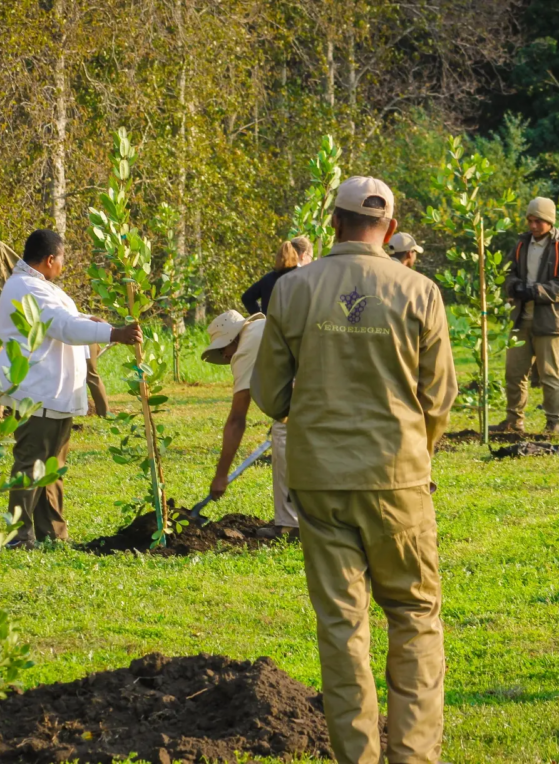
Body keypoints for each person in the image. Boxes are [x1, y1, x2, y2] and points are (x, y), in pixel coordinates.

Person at [253, 176, 457, 764]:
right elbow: (439, 401)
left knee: (342, 629)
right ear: (390, 230)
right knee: (415, 617)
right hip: (398, 479)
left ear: (333, 223)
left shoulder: (292, 290)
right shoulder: (420, 291)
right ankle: (414, 756)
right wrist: (416, 451)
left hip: (318, 481)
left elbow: (269, 394)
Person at [0, 229, 140, 547]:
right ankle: (19, 535)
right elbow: (63, 326)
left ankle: (52, 533)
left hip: (52, 393)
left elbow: (66, 318)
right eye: (62, 259)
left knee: (52, 467)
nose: (63, 265)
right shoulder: (29, 289)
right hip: (38, 392)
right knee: (32, 463)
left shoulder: (38, 286)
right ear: (49, 260)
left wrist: (90, 319)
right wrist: (115, 333)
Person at [201, 310, 298, 539]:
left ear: (233, 338)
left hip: (308, 401)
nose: (225, 356)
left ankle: (289, 526)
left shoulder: (246, 346)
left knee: (284, 436)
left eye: (223, 348)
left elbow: (237, 419)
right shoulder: (261, 330)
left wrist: (221, 475)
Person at [496, 197, 559, 436]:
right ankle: (513, 421)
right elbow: (507, 272)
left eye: (538, 221)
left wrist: (534, 291)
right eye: (530, 220)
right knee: (514, 372)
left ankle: (553, 423)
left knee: (549, 375)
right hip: (522, 318)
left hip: (551, 321)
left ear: (549, 221)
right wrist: (513, 286)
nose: (533, 226)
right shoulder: (522, 244)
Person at [241, 236, 311, 316]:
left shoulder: (268, 278)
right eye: (311, 257)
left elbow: (247, 297)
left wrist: (261, 318)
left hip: (268, 326)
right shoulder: (302, 279)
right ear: (304, 255)